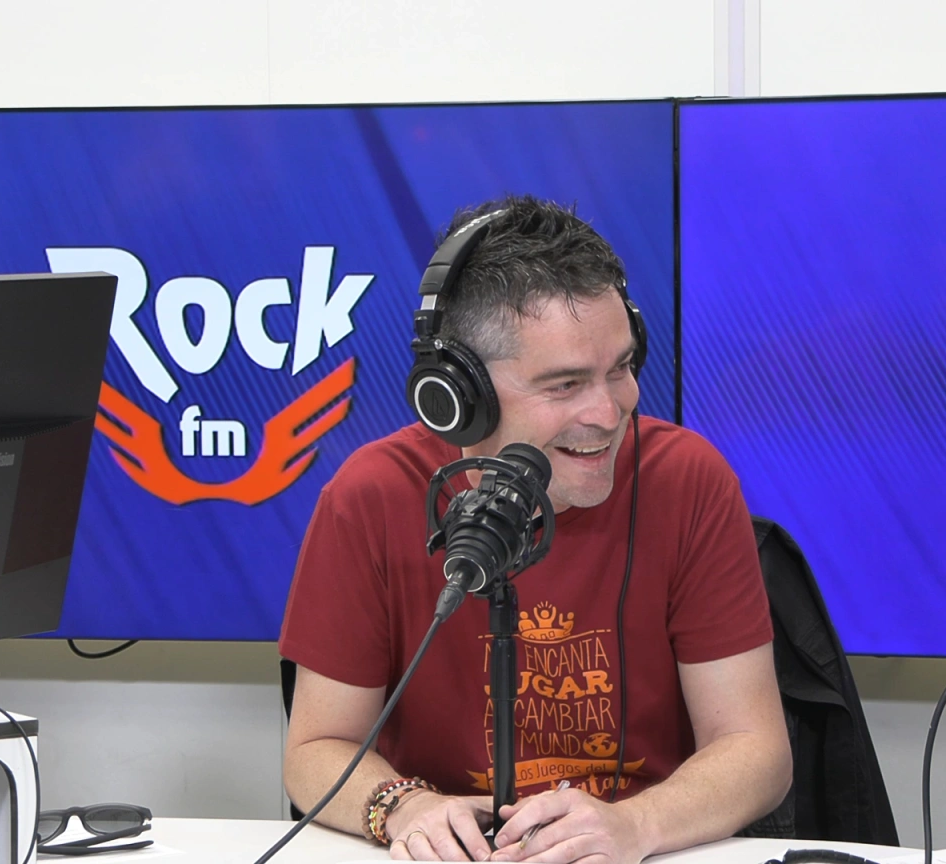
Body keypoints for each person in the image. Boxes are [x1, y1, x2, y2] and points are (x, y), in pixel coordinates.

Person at [279, 195, 789, 864]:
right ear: (459, 394)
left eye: (620, 369)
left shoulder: (688, 480)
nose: (608, 412)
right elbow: (315, 752)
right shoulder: (370, 497)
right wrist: (407, 810)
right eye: (565, 384)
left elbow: (758, 751)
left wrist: (636, 826)